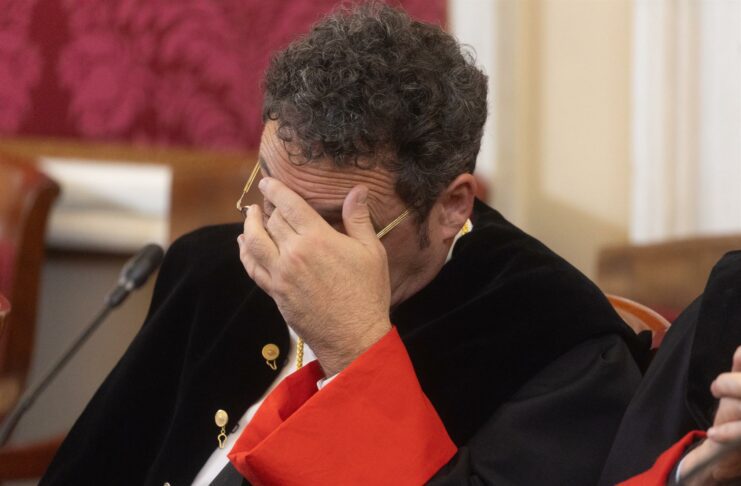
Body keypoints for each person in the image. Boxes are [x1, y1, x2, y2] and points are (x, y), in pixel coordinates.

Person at [41, 4, 649, 485]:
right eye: (272, 194)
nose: (285, 243)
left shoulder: (560, 350)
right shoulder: (212, 270)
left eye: (333, 222)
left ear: (451, 207)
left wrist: (357, 354)